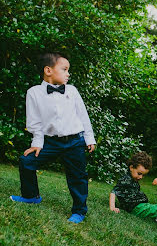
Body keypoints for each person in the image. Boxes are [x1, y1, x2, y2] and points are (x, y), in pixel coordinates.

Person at [9, 52, 96, 224]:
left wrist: (89, 138)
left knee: (77, 176)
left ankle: (79, 211)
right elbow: (35, 123)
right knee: (26, 161)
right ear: (48, 70)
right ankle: (31, 196)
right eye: (64, 69)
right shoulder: (33, 93)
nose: (68, 73)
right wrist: (37, 144)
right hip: (50, 142)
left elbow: (83, 116)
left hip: (74, 142)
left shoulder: (72, 91)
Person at [109, 151, 157, 219]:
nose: (141, 177)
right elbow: (113, 192)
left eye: (143, 175)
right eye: (139, 173)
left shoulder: (133, 179)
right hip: (135, 208)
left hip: (140, 205)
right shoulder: (125, 180)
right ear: (131, 167)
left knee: (156, 208)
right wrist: (112, 207)